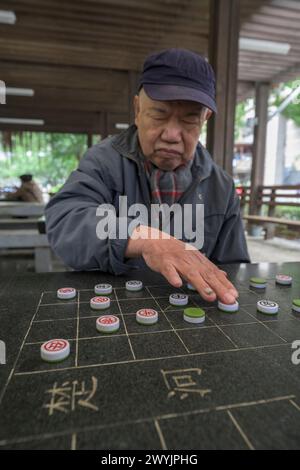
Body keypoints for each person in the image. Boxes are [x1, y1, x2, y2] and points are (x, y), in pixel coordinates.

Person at [45, 48, 250, 304]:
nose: (172, 134)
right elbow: (65, 221)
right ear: (137, 109)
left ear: (205, 119)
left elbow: (234, 270)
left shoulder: (222, 186)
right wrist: (145, 239)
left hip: (187, 311)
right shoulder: (103, 161)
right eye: (159, 114)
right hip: (111, 304)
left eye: (189, 119)